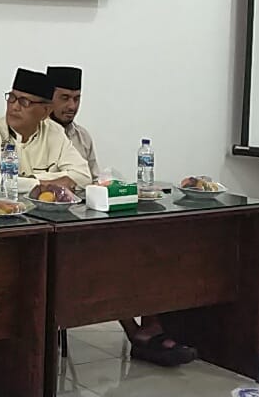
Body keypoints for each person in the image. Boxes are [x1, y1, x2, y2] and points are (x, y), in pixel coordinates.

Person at [47, 65, 198, 368]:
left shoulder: (82, 136)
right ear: (47, 99)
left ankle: (150, 325)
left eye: (77, 98)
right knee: (108, 258)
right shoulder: (35, 135)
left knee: (140, 248)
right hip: (52, 228)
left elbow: (91, 181)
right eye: (64, 98)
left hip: (86, 219)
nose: (72, 106)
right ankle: (137, 332)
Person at [0, 68, 90, 195]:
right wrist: (43, 183)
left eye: (24, 102)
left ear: (46, 111)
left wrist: (27, 180)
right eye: (12, 98)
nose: (14, 107)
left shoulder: (54, 132)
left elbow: (83, 176)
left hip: (35, 207)